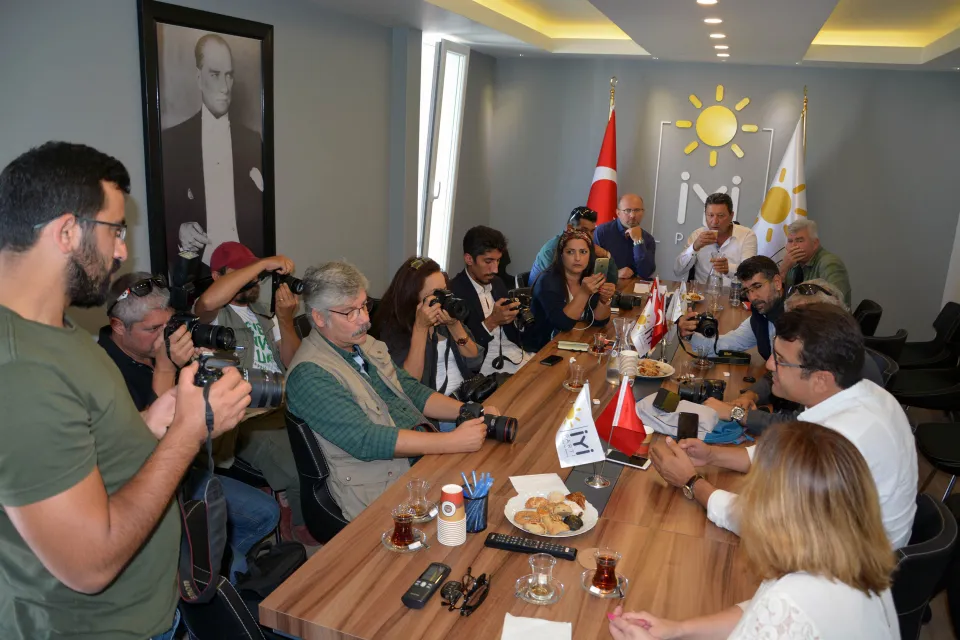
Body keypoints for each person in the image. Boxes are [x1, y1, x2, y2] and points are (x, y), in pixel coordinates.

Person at [0, 142, 251, 640]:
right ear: (67, 231)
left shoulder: (57, 331)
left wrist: (152, 421)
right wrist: (186, 433)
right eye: (115, 230)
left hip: (148, 612)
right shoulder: (21, 367)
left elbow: (84, 455)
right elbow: (89, 563)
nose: (121, 250)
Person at [651, 303, 917, 549]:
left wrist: (691, 482)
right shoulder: (851, 393)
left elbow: (769, 524)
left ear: (820, 379)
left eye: (779, 359)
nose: (769, 365)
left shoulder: (843, 439)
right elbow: (780, 454)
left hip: (849, 568)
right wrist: (712, 455)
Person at [611, 422, 899, 640]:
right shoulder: (850, 560)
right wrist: (679, 630)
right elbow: (760, 609)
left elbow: (780, 611)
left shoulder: (792, 603)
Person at [284, 261, 501, 520]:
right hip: (378, 485)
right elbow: (366, 439)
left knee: (490, 484)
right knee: (473, 510)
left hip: (411, 461)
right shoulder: (310, 374)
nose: (365, 319)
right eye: (350, 312)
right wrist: (451, 442)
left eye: (364, 306)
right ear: (319, 317)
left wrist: (470, 411)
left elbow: (410, 389)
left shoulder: (364, 344)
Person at [100, 272, 279, 581]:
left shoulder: (164, 348)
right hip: (143, 485)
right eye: (152, 329)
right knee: (230, 565)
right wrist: (166, 367)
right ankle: (199, 574)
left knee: (267, 514)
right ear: (118, 326)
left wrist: (205, 367)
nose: (164, 338)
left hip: (188, 470)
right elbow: (148, 447)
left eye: (168, 326)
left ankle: (204, 570)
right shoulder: (103, 370)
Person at [194, 241, 309, 544]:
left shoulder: (262, 316)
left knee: (324, 446)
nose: (254, 278)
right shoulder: (213, 317)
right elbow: (207, 301)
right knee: (294, 466)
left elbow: (292, 362)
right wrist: (261, 264)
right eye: (242, 271)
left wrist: (285, 320)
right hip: (246, 416)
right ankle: (299, 527)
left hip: (283, 404)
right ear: (218, 276)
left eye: (255, 273)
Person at [702, 278, 882, 435]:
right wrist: (751, 395)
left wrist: (736, 413)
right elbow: (779, 372)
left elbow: (798, 427)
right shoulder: (827, 349)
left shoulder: (837, 366)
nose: (771, 365)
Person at [162, 34, 264, 268]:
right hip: (197, 271)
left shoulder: (251, 141)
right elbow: (163, 215)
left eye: (229, 75)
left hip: (247, 269)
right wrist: (179, 230)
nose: (224, 87)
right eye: (215, 75)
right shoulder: (172, 142)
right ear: (199, 78)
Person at [371, 256, 484, 398]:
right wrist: (420, 328)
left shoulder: (445, 316)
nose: (444, 298)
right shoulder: (393, 329)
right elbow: (408, 384)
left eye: (445, 290)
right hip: (431, 405)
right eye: (436, 294)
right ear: (412, 298)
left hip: (467, 394)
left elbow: (475, 362)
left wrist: (454, 325)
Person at [449, 226, 532, 375]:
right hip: (483, 362)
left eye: (498, 261)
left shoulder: (497, 283)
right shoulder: (455, 292)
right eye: (488, 261)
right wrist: (492, 321)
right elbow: (461, 347)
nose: (495, 269)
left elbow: (513, 333)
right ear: (469, 259)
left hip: (512, 351)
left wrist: (519, 319)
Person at [678, 256, 784, 360]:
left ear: (777, 283)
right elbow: (726, 344)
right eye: (747, 291)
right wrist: (689, 334)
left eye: (757, 287)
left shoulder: (793, 316)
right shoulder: (760, 316)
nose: (752, 298)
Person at [529, 228, 615, 351]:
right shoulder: (547, 281)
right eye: (570, 252)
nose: (577, 258)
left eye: (583, 252)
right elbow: (563, 324)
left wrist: (604, 300)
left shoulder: (589, 277)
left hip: (574, 343)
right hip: (544, 348)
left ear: (590, 255)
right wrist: (584, 293)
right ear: (561, 255)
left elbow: (598, 322)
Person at [674, 192, 757, 284]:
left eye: (720, 216)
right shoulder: (697, 235)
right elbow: (678, 270)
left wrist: (729, 268)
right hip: (701, 291)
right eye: (710, 215)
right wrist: (694, 248)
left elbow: (750, 272)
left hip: (734, 291)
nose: (714, 221)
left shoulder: (747, 235)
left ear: (731, 216)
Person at [530, 206, 617, 284]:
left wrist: (606, 255)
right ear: (570, 228)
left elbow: (611, 282)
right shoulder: (552, 249)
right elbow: (556, 286)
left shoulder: (587, 247)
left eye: (592, 231)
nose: (589, 236)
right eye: (584, 230)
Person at [780, 218, 852, 307]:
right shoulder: (791, 265)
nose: (793, 246)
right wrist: (783, 270)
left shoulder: (829, 263)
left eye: (800, 240)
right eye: (790, 241)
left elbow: (837, 299)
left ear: (815, 243)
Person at [593, 194, 656, 280]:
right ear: (618, 213)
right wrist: (615, 273)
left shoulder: (648, 239)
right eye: (627, 210)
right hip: (607, 285)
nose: (632, 215)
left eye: (637, 210)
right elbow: (592, 268)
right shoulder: (602, 232)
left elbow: (646, 273)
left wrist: (638, 241)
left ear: (643, 212)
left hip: (634, 286)